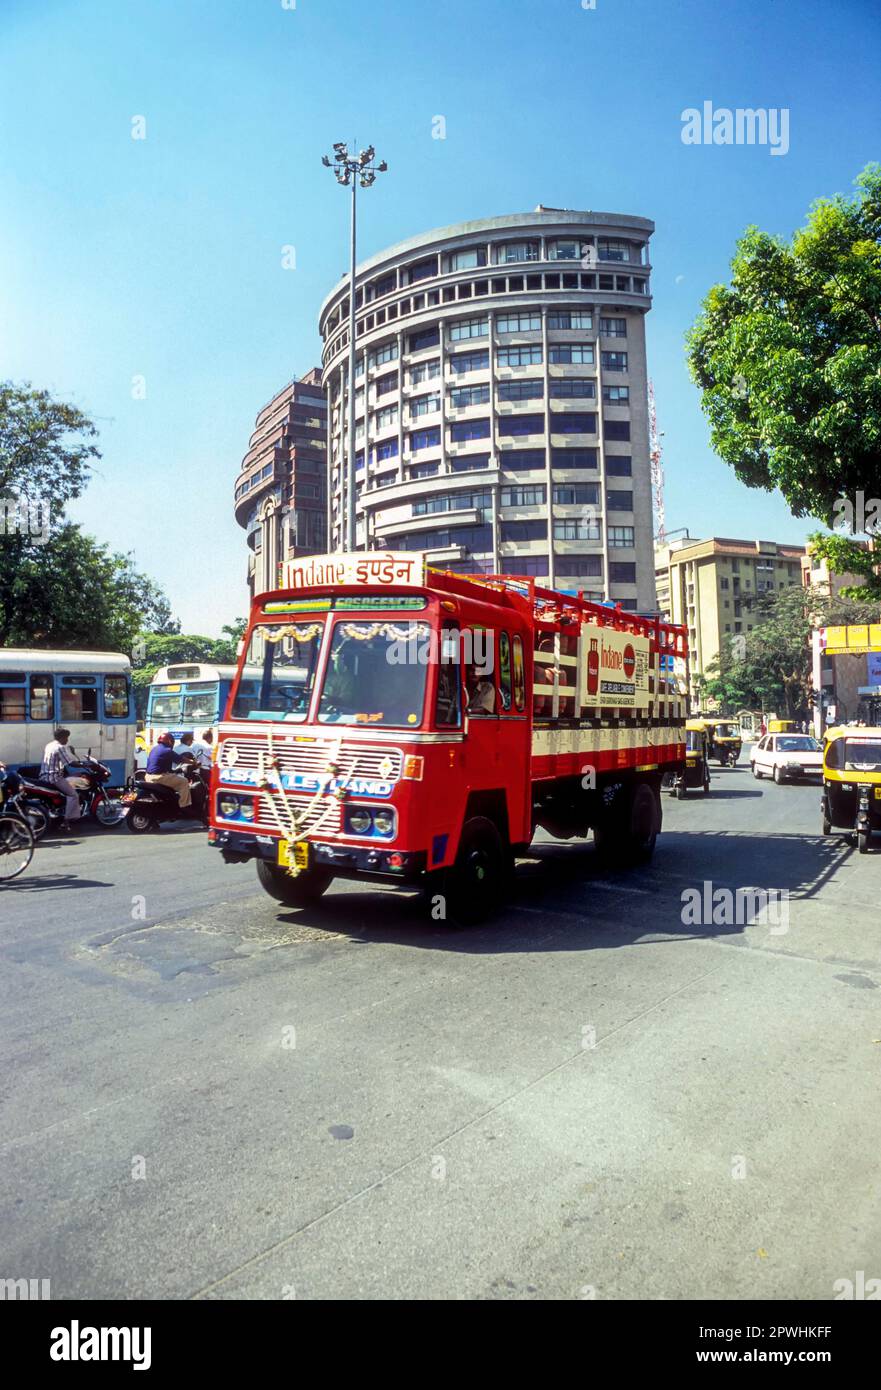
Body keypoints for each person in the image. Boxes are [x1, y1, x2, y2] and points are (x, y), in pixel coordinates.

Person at [40, 727, 82, 831]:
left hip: (44, 775)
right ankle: (66, 821)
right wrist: (84, 764)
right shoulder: (59, 747)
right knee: (73, 795)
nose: (67, 740)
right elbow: (69, 763)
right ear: (62, 737)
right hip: (54, 778)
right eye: (67, 738)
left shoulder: (49, 745)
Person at [144, 732, 192, 809]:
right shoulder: (167, 750)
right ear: (170, 741)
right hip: (158, 777)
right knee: (184, 781)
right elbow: (181, 759)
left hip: (148, 776)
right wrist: (194, 762)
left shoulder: (154, 749)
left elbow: (165, 767)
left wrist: (175, 771)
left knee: (174, 779)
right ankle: (185, 807)